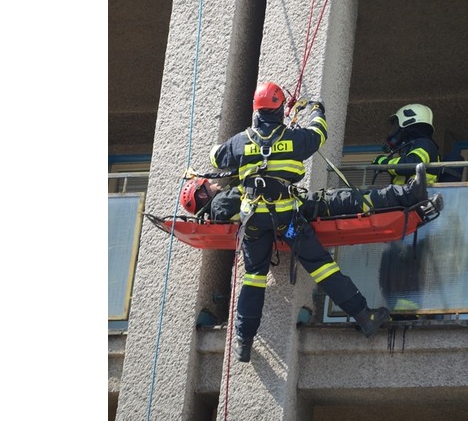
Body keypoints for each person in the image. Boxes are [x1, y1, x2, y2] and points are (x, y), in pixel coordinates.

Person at [208, 81, 392, 363]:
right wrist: (316, 109)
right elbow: (319, 133)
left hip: (254, 224)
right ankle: (364, 316)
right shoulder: (294, 139)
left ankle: (243, 342)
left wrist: (243, 148)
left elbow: (216, 157)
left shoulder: (241, 141)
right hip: (287, 222)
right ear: (280, 110)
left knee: (253, 277)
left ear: (256, 111)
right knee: (321, 266)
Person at [180, 164, 444, 223]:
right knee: (352, 200)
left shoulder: (220, 208)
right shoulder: (221, 206)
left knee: (352, 199)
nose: (214, 184)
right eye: (208, 186)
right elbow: (256, 192)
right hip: (301, 210)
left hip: (299, 207)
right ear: (203, 196)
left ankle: (409, 198)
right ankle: (410, 195)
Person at [372, 104, 441, 186]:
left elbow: (411, 165)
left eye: (396, 126)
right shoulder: (411, 148)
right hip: (405, 195)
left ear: (407, 123)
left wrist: (384, 162)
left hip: (417, 195)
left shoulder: (425, 143)